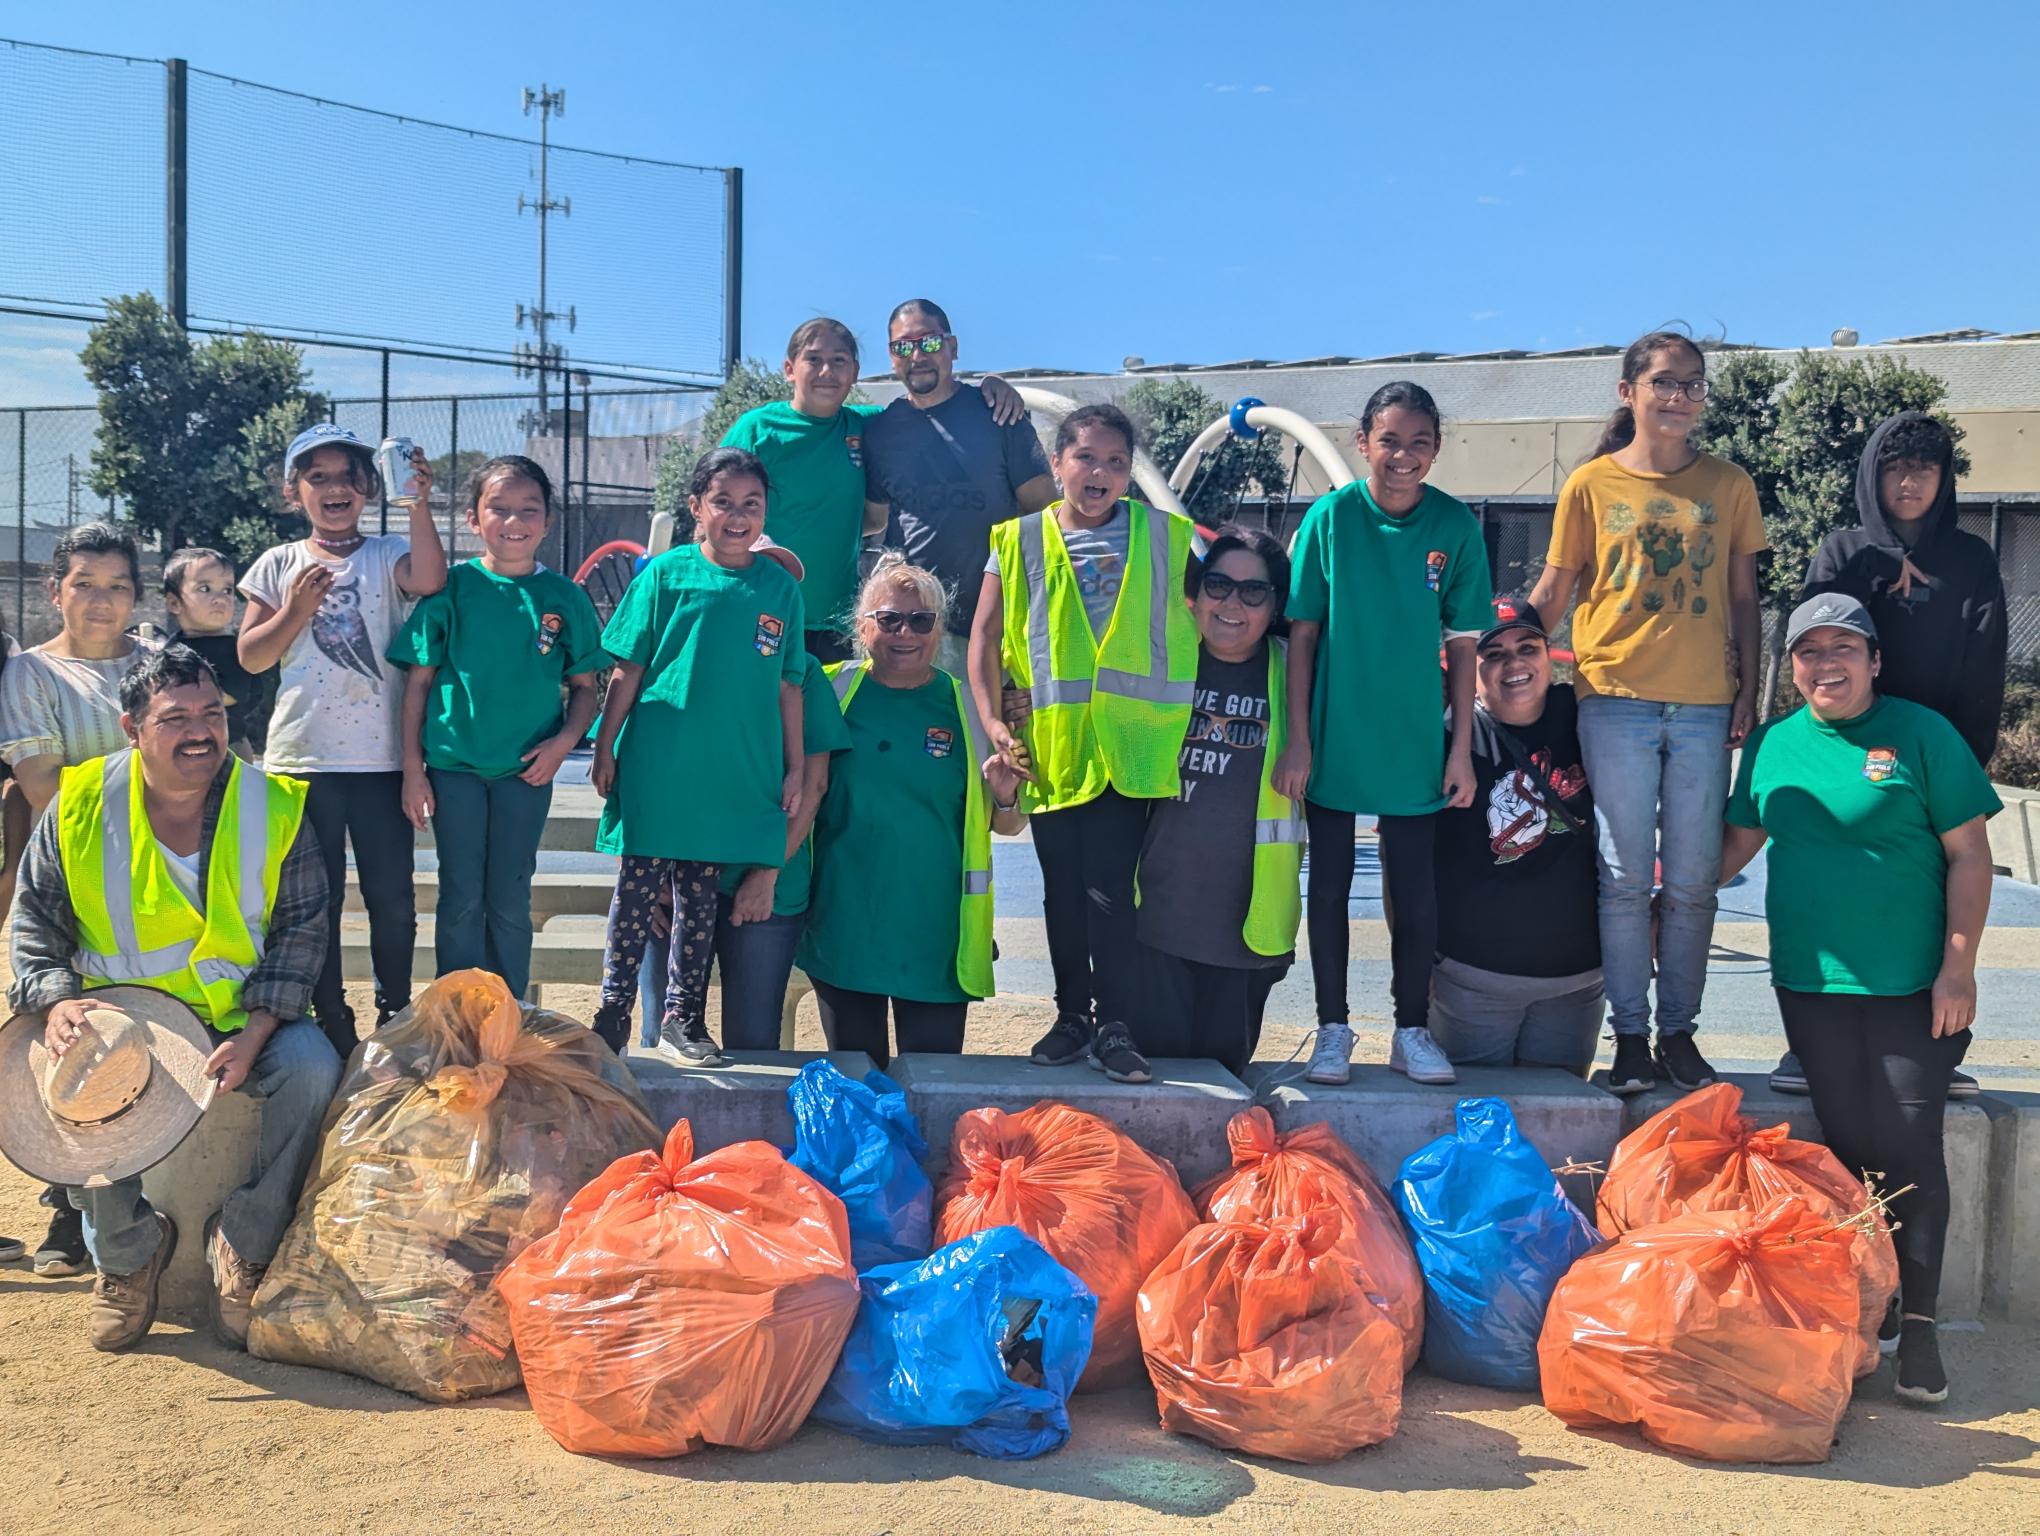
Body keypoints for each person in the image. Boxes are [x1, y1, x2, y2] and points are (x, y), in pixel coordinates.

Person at [6, 645, 341, 1351]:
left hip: (243, 1016)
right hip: (124, 1018)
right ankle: (127, 1255)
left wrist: (255, 1034)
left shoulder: (272, 804)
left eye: (212, 714)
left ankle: (243, 1243)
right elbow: (36, 919)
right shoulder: (79, 801)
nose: (200, 733)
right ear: (132, 728)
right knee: (83, 1078)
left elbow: (302, 933)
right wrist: (57, 1002)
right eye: (175, 718)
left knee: (313, 1070)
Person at [1721, 593, 1998, 1407]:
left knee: (1909, 1145)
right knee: (1849, 1150)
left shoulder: (1922, 734)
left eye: (1843, 648)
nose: (1825, 664)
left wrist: (1958, 968)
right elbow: (1735, 845)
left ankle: (1921, 1328)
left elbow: (1971, 855)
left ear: (1875, 660)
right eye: (1809, 651)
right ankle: (1875, 1303)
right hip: (1810, 985)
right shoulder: (1773, 744)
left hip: (1914, 987)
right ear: (1792, 667)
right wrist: (1658, 888)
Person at [1526, 331, 1767, 1095]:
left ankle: (1679, 1034)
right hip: (1614, 702)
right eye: (1664, 381)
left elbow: (1743, 599)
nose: (1679, 397)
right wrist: (1497, 654)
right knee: (1625, 879)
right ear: (1628, 392)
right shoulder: (1590, 485)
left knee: (1694, 883)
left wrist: (1750, 690)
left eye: (1693, 384)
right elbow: (1554, 593)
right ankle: (1630, 1037)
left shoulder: (1729, 485)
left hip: (1704, 706)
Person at [1771, 410, 2003, 1098]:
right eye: (1895, 468)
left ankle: (1936, 1048)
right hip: (1848, 756)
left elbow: (1985, 663)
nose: (1909, 483)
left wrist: (1965, 762)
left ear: (1945, 478)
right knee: (1834, 894)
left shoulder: (1971, 559)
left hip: (1935, 761)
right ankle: (1807, 1046)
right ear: (1872, 475)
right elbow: (1815, 652)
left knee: (1931, 902)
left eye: (1925, 469)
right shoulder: (1843, 554)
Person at [970, 403, 1198, 1083]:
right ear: (1057, 463)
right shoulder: (1017, 539)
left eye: (1116, 462)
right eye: (1086, 457)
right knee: (1061, 892)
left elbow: (1215, 613)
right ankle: (1072, 1017)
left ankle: (1115, 1024)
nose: (1100, 473)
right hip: (1052, 746)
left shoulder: (1165, 536)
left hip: (1131, 747)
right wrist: (994, 720)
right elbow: (984, 635)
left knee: (1110, 892)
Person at [1273, 382, 1492, 1088]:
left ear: (1436, 449)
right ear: (1362, 442)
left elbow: (1464, 644)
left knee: (1416, 890)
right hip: (1335, 733)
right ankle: (1332, 1028)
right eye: (1389, 440)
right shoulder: (1330, 519)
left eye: (1419, 442)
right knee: (1329, 885)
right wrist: (1299, 740)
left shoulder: (1453, 526)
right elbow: (1303, 635)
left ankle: (1411, 1030)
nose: (1403, 455)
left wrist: (1459, 748)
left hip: (1413, 740)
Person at [238, 424, 447, 1059]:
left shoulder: (387, 552)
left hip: (382, 762)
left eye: (350, 477)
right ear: (292, 490)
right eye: (318, 477)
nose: (335, 488)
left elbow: (430, 580)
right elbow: (252, 657)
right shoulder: (278, 563)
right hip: (302, 761)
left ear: (370, 487)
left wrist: (418, 503)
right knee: (314, 902)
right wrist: (295, 611)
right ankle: (329, 1015)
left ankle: (394, 1011)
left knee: (393, 898)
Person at [591, 447, 804, 1065]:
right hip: (660, 765)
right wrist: (605, 744)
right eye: (723, 502)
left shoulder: (778, 588)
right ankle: (612, 1013)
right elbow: (628, 669)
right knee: (638, 891)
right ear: (695, 507)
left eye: (751, 504)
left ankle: (684, 1017)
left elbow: (789, 686)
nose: (737, 516)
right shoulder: (665, 575)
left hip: (730, 771)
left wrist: (793, 765)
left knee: (698, 895)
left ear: (765, 512)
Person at [388, 455, 606, 999]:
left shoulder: (564, 598)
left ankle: (510, 1011)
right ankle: (458, 1011)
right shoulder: (452, 589)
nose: (514, 521)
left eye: (528, 509)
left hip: (524, 773)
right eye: (499, 509)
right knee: (461, 896)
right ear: (473, 518)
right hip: (453, 769)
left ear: (548, 520)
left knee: (510, 898)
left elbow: (586, 689)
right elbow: (417, 684)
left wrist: (562, 745)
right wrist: (413, 770)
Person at [0, 522, 154, 1279]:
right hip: (67, 883)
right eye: (84, 584)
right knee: (65, 1037)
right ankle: (67, 1206)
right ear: (53, 590)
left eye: (118, 585)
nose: (101, 600)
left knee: (140, 1038)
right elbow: (43, 787)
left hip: (156, 882)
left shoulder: (158, 660)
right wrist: (155, 788)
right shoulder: (30, 674)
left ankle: (132, 1202)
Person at [799, 555, 1025, 1067]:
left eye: (921, 620)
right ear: (861, 627)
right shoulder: (828, 692)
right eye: (890, 619)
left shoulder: (970, 709)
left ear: (939, 630)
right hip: (844, 928)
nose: (906, 632)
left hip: (936, 938)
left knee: (931, 1086)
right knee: (859, 1084)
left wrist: (1005, 793)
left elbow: (1009, 823)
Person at [631, 540, 852, 1051]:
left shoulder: (805, 675)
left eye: (780, 580)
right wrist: (649, 877)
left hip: (766, 881)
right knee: (659, 1036)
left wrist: (767, 873)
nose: (764, 589)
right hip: (675, 874)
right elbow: (634, 770)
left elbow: (813, 785)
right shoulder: (676, 662)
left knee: (753, 1043)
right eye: (752, 573)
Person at [722, 318, 1028, 663]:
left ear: (855, 372)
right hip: (764, 610)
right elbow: (712, 512)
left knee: (827, 700)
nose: (826, 371)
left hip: (836, 623)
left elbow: (926, 407)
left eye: (839, 360)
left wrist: (991, 386)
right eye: (814, 359)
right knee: (762, 696)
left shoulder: (868, 424)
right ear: (789, 369)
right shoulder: (758, 429)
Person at [1127, 527, 1302, 1075]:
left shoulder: (1298, 673)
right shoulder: (1159, 656)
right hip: (1152, 923)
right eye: (1219, 585)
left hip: (1247, 931)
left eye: (1253, 592)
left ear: (1275, 604)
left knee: (1224, 1094)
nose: (1232, 604)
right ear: (1197, 592)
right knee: (1154, 1095)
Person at [1429, 597, 1603, 1075]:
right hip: (1473, 979)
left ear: (1549, 655)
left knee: (1559, 1114)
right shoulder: (1448, 738)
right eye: (1494, 654)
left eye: (1528, 648)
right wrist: (1411, 962)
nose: (1515, 663)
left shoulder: (1588, 717)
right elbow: (1400, 858)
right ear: (1469, 668)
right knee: (1472, 1113)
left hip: (1578, 981)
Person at [863, 298, 1057, 678]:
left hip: (996, 627)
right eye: (903, 346)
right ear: (890, 357)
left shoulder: (999, 413)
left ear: (952, 347)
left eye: (930, 342)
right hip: (916, 631)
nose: (917, 355)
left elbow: (1045, 514)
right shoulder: (880, 431)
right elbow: (873, 519)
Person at [162, 547, 275, 760]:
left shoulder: (236, 649)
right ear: (174, 603)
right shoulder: (170, 649)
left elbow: (233, 695)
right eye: (205, 589)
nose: (220, 598)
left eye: (227, 590)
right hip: (180, 746)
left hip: (229, 745)